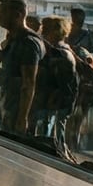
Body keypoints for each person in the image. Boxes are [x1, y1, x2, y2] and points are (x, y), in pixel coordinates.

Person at [0, 0, 44, 136]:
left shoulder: (28, 43)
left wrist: (22, 118)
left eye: (2, 11)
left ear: (17, 15)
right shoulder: (14, 39)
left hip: (17, 111)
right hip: (9, 105)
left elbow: (28, 83)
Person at [30, 15, 77, 144]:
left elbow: (62, 84)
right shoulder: (56, 50)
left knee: (49, 139)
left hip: (54, 104)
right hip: (49, 103)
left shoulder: (61, 53)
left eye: (47, 29)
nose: (43, 32)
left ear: (57, 31)